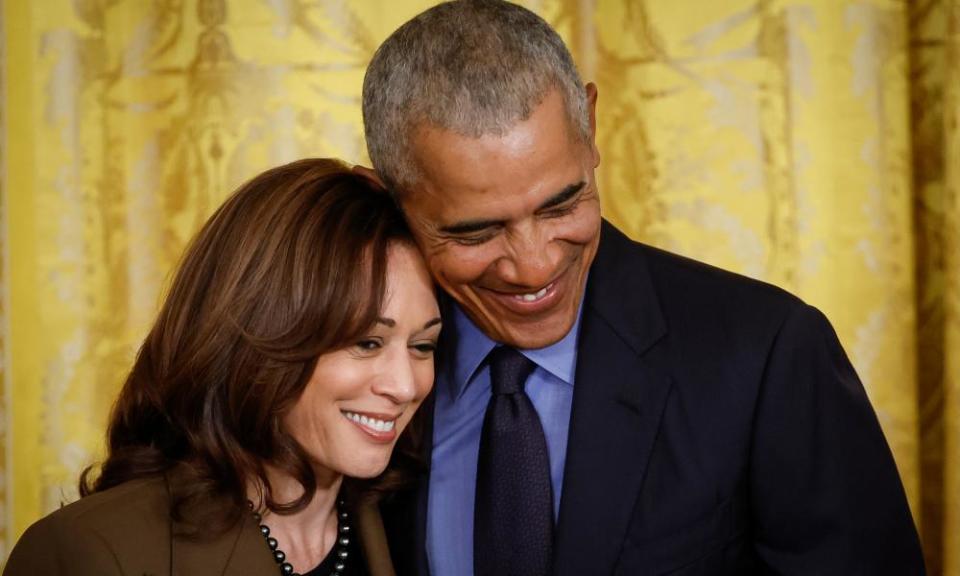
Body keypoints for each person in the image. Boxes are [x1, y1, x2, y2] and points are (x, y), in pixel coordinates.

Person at [358, 1, 926, 575]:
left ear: (591, 124)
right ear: (387, 197)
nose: (533, 267)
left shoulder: (767, 355)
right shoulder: (347, 374)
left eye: (562, 204)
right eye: (476, 231)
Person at [3, 159, 442, 576]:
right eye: (367, 342)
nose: (405, 386)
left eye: (423, 345)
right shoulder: (92, 551)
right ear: (263, 335)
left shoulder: (418, 531)